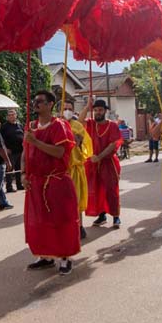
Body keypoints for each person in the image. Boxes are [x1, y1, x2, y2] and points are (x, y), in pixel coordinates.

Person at [23, 90, 80, 275]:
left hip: (56, 181)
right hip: (36, 182)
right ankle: (45, 256)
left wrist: (36, 142)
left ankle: (65, 258)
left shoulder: (60, 126)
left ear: (50, 104)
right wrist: (23, 174)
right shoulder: (31, 126)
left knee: (61, 220)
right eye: (34, 100)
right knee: (40, 221)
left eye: (40, 101)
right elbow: (25, 153)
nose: (36, 104)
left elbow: (59, 152)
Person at [81, 98, 122, 227]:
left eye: (100, 110)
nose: (98, 112)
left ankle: (116, 216)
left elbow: (113, 144)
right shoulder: (91, 124)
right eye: (96, 110)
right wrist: (87, 107)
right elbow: (80, 121)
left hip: (108, 163)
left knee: (111, 190)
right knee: (95, 189)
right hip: (92, 163)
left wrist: (99, 157)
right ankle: (101, 215)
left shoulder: (112, 125)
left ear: (105, 111)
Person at [63, 99, 93, 239]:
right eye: (64, 108)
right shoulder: (56, 124)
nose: (67, 111)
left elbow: (77, 140)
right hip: (61, 170)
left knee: (77, 199)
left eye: (69, 108)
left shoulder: (77, 126)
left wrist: (87, 107)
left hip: (75, 169)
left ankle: (79, 226)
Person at [0, 109, 25, 193]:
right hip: (10, 152)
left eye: (13, 114)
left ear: (16, 115)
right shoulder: (4, 127)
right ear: (7, 117)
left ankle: (19, 184)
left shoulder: (20, 125)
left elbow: (24, 135)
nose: (11, 116)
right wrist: (5, 149)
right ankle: (9, 187)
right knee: (10, 169)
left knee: (19, 169)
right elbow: (0, 139)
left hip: (20, 151)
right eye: (9, 115)